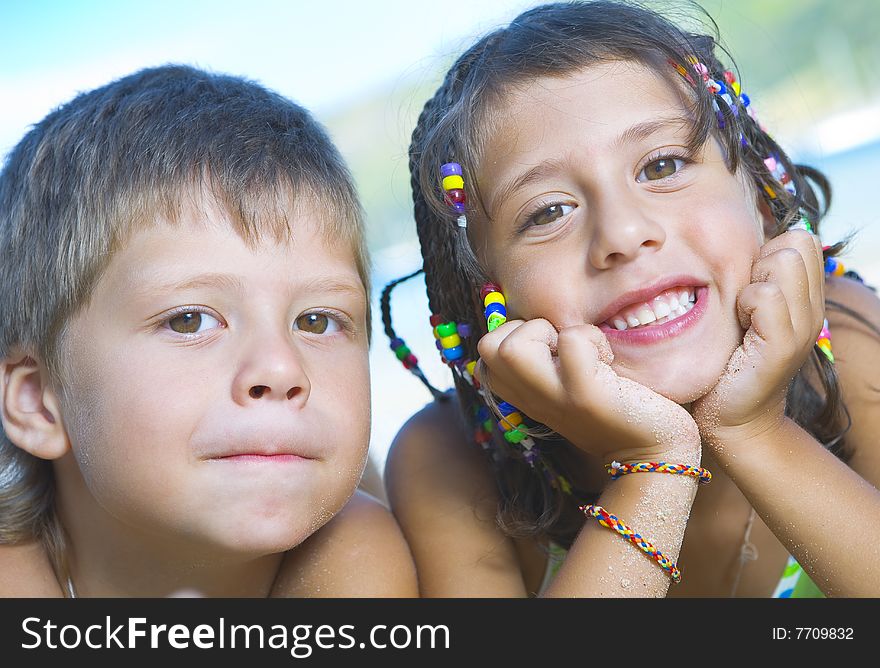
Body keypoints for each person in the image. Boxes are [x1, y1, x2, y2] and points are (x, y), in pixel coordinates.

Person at [382, 0, 880, 597]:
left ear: (763, 194)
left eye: (663, 165)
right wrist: (651, 468)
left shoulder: (851, 345)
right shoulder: (450, 462)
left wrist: (754, 430)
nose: (622, 233)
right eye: (548, 212)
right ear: (484, 298)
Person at [0, 64, 417, 597]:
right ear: (38, 399)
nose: (281, 368)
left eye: (317, 321)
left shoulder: (354, 552)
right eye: (189, 320)